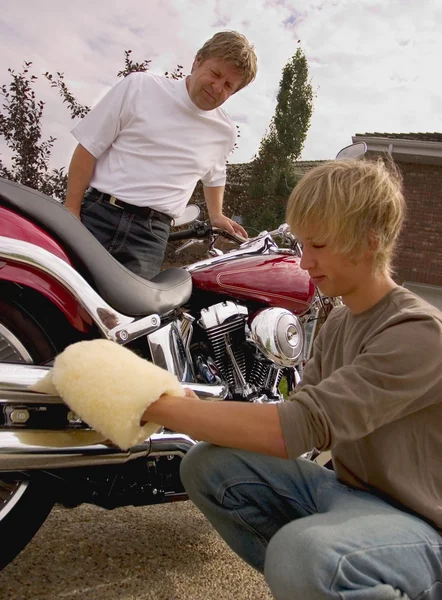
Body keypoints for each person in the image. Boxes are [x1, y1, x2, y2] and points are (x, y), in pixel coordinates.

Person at [139, 158, 442, 599]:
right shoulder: (338, 323)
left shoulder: (418, 333)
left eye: (318, 245)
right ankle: (316, 582)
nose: (304, 262)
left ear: (370, 241)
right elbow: (296, 417)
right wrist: (197, 407)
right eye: (302, 244)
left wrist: (168, 410)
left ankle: (323, 572)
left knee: (302, 554)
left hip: (421, 527)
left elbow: (297, 430)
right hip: (350, 495)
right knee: (209, 465)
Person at [64, 31, 256, 279]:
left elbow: (215, 175)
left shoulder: (224, 131)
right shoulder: (139, 87)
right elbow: (88, 147)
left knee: (124, 317)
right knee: (58, 304)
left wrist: (216, 215)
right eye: (215, 73)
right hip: (97, 216)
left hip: (149, 237)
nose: (217, 87)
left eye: (229, 85)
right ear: (197, 61)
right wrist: (71, 209)